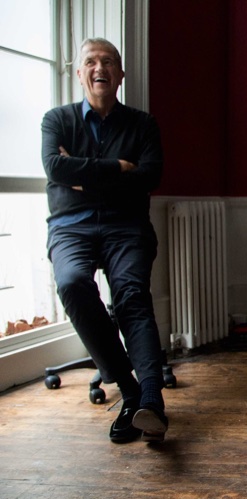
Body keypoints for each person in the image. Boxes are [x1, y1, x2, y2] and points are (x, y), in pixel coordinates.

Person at [41, 37, 168, 444]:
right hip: (70, 226)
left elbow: (148, 177)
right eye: (91, 62)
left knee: (131, 294)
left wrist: (85, 178)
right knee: (72, 283)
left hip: (125, 225)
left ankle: (152, 401)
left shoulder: (142, 124)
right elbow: (54, 168)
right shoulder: (56, 120)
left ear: (121, 74)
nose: (100, 69)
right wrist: (116, 168)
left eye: (109, 62)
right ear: (79, 73)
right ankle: (131, 392)